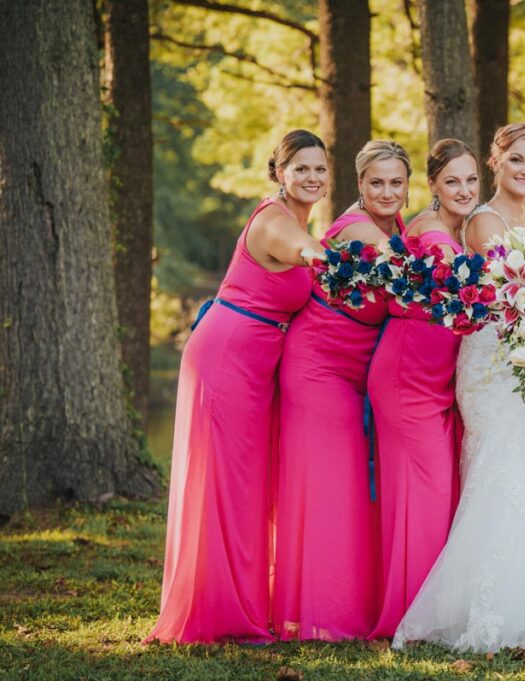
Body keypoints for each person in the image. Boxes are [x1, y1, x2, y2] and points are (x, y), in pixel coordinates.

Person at [392, 125, 525, 653]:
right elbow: (515, 284)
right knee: (503, 466)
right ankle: (489, 606)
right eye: (516, 160)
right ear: (496, 161)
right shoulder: (483, 219)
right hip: (491, 360)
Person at [146, 130, 327, 644]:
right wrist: (338, 262)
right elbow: (307, 252)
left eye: (320, 169)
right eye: (302, 170)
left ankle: (242, 606)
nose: (312, 178)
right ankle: (219, 613)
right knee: (224, 483)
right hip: (226, 356)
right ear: (279, 173)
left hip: (253, 361)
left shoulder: (298, 218)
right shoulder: (275, 222)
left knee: (245, 483)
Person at [272, 140, 411, 641]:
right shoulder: (357, 228)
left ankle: (349, 606)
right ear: (359, 186)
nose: (387, 191)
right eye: (377, 182)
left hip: (356, 373)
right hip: (319, 367)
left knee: (351, 490)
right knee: (330, 487)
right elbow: (410, 280)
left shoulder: (397, 228)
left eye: (397, 183)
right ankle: (321, 617)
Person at [366, 141, 466, 640]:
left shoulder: (454, 229)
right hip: (407, 374)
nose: (464, 190)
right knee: (421, 495)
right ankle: (412, 614)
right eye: (453, 182)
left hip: (438, 377)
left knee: (435, 491)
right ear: (433, 187)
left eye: (472, 181)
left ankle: (429, 606)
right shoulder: (430, 232)